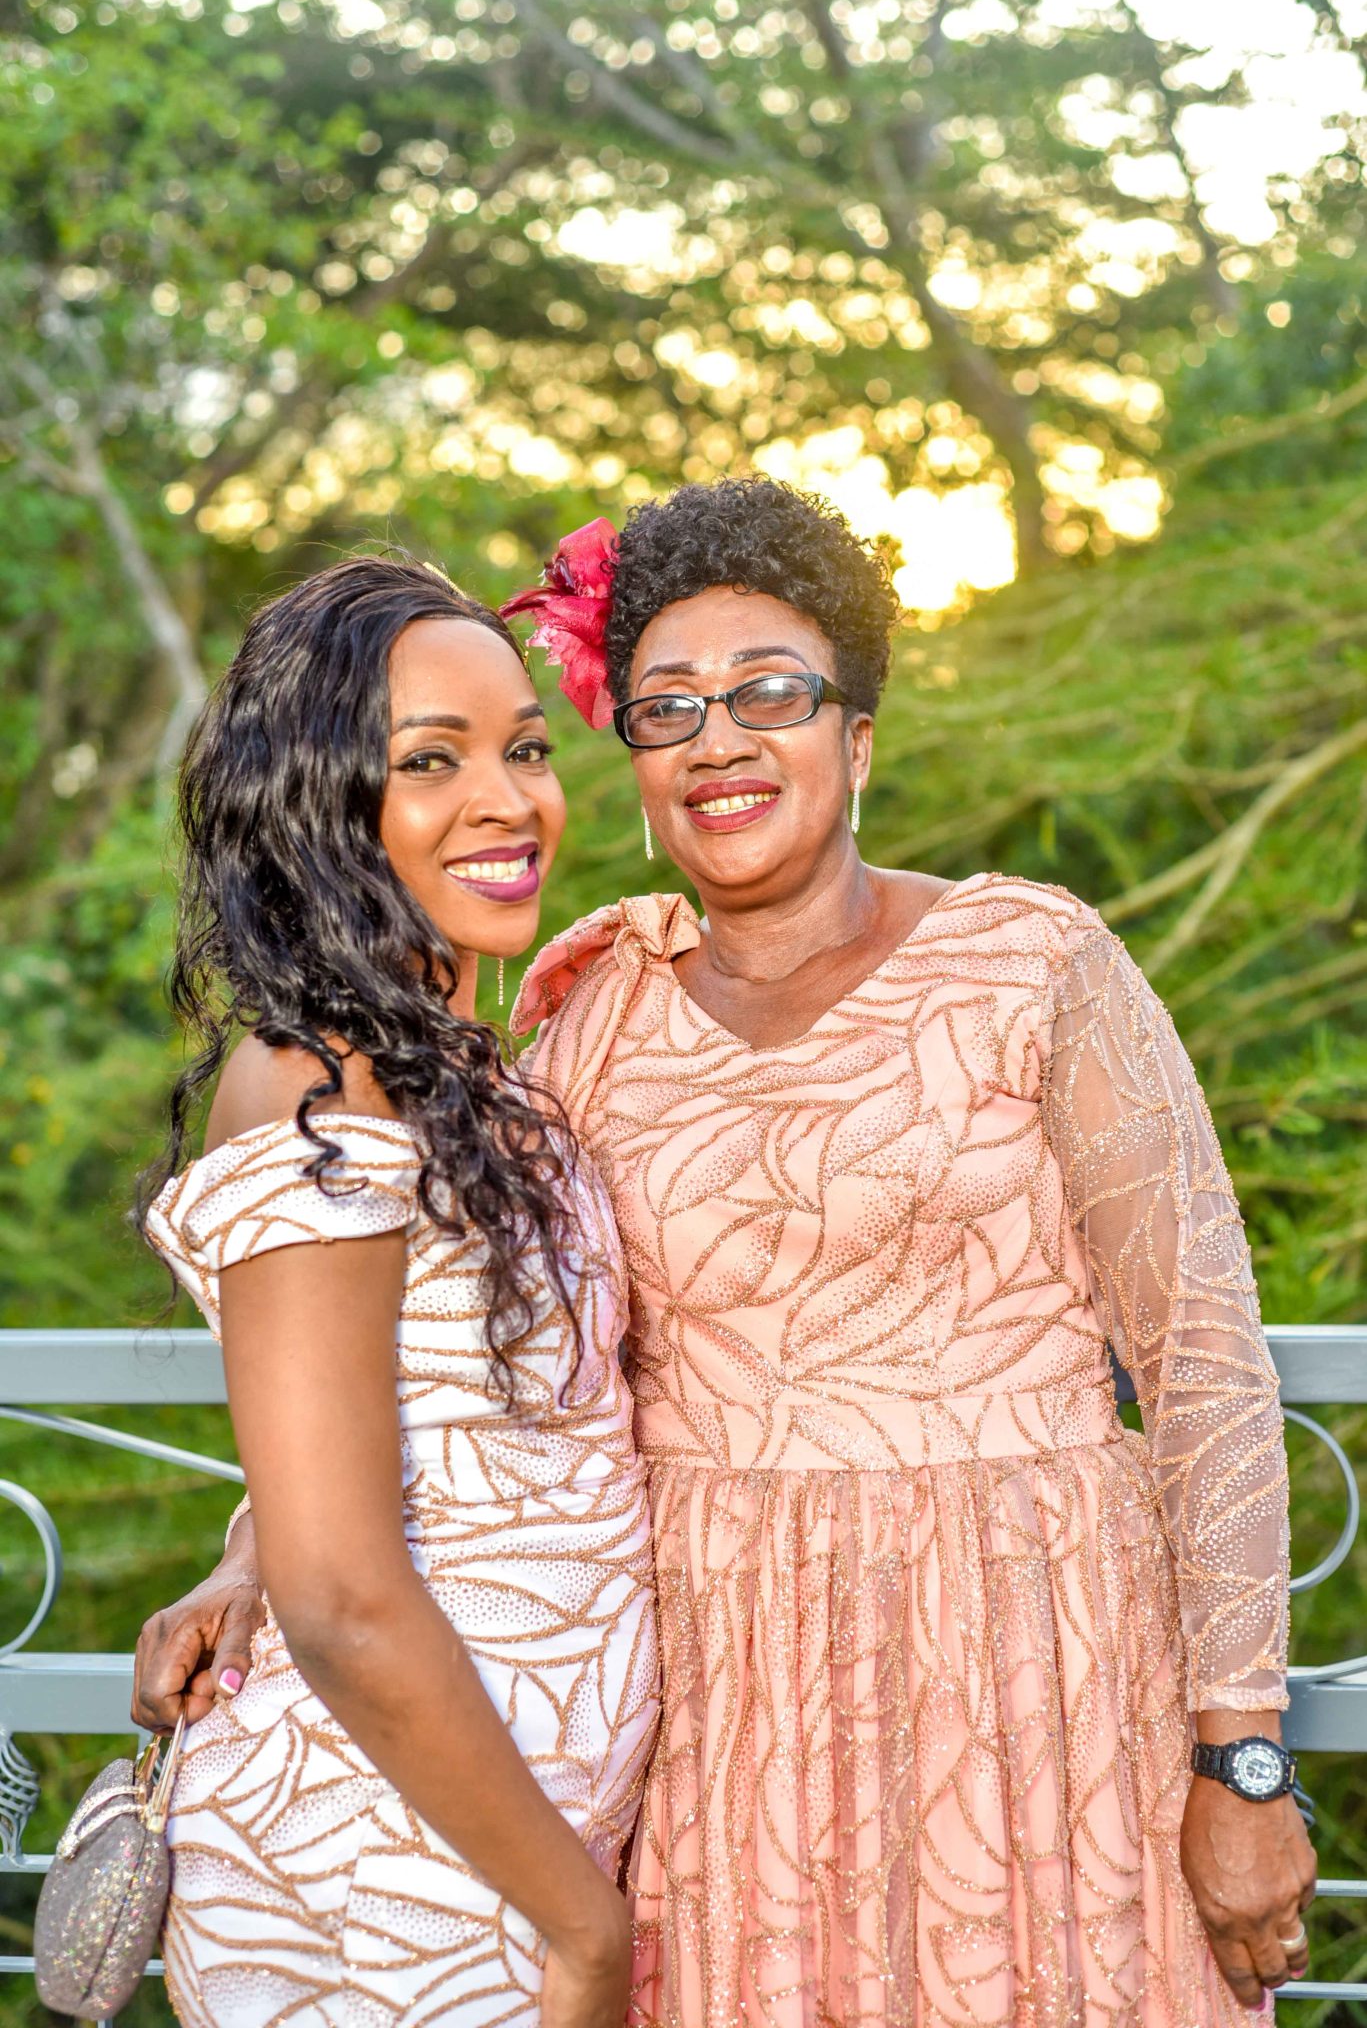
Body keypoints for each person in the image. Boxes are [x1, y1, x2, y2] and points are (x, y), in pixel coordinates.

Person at [137, 483, 1316, 2027]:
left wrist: (1242, 1752)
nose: (719, 739)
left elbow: (1207, 1364)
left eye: (771, 694)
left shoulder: (1034, 963)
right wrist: (261, 1554)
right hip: (728, 1725)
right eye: (668, 707)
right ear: (637, 758)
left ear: (858, 739)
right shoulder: (588, 1012)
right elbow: (457, 1342)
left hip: (1045, 1675)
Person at [134, 557, 659, 2028]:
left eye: (526, 749)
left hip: (495, 1846)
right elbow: (344, 1594)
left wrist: (246, 1553)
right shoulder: (314, 1081)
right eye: (431, 761)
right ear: (321, 803)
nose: (508, 800)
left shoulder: (461, 1072)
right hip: (394, 1869)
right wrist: (585, 1931)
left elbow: (413, 1413)